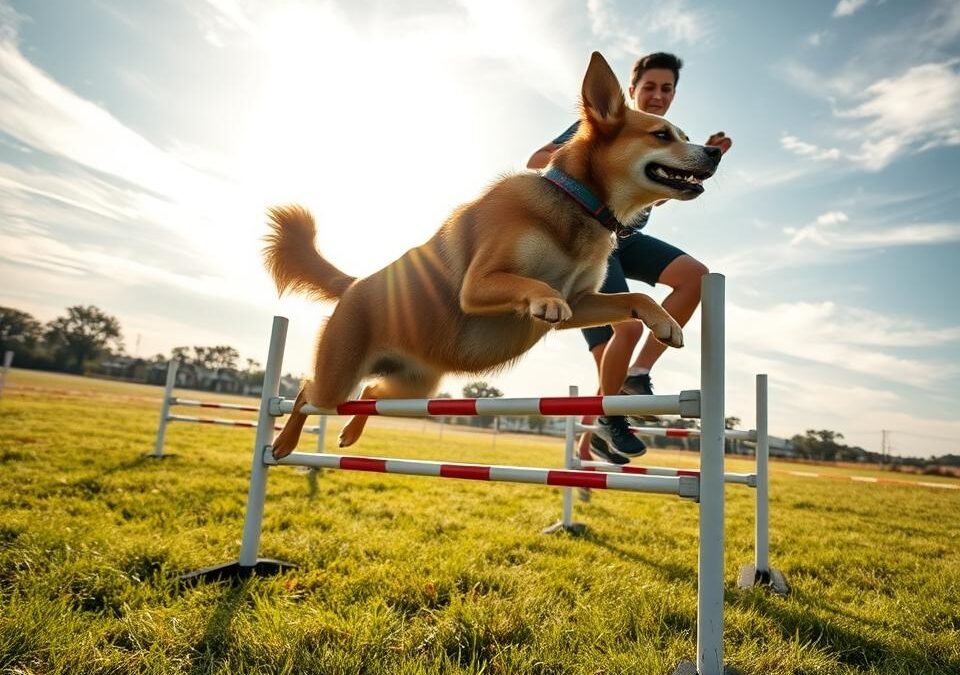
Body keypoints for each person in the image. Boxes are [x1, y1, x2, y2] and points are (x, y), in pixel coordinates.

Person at [527, 52, 732, 464]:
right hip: (588, 240)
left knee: (697, 278)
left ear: (674, 95)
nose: (658, 95)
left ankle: (635, 381)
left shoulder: (668, 134)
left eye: (667, 89)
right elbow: (535, 162)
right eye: (650, 87)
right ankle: (604, 427)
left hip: (627, 237)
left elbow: (659, 196)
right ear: (633, 90)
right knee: (626, 330)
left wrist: (704, 159)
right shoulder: (610, 122)